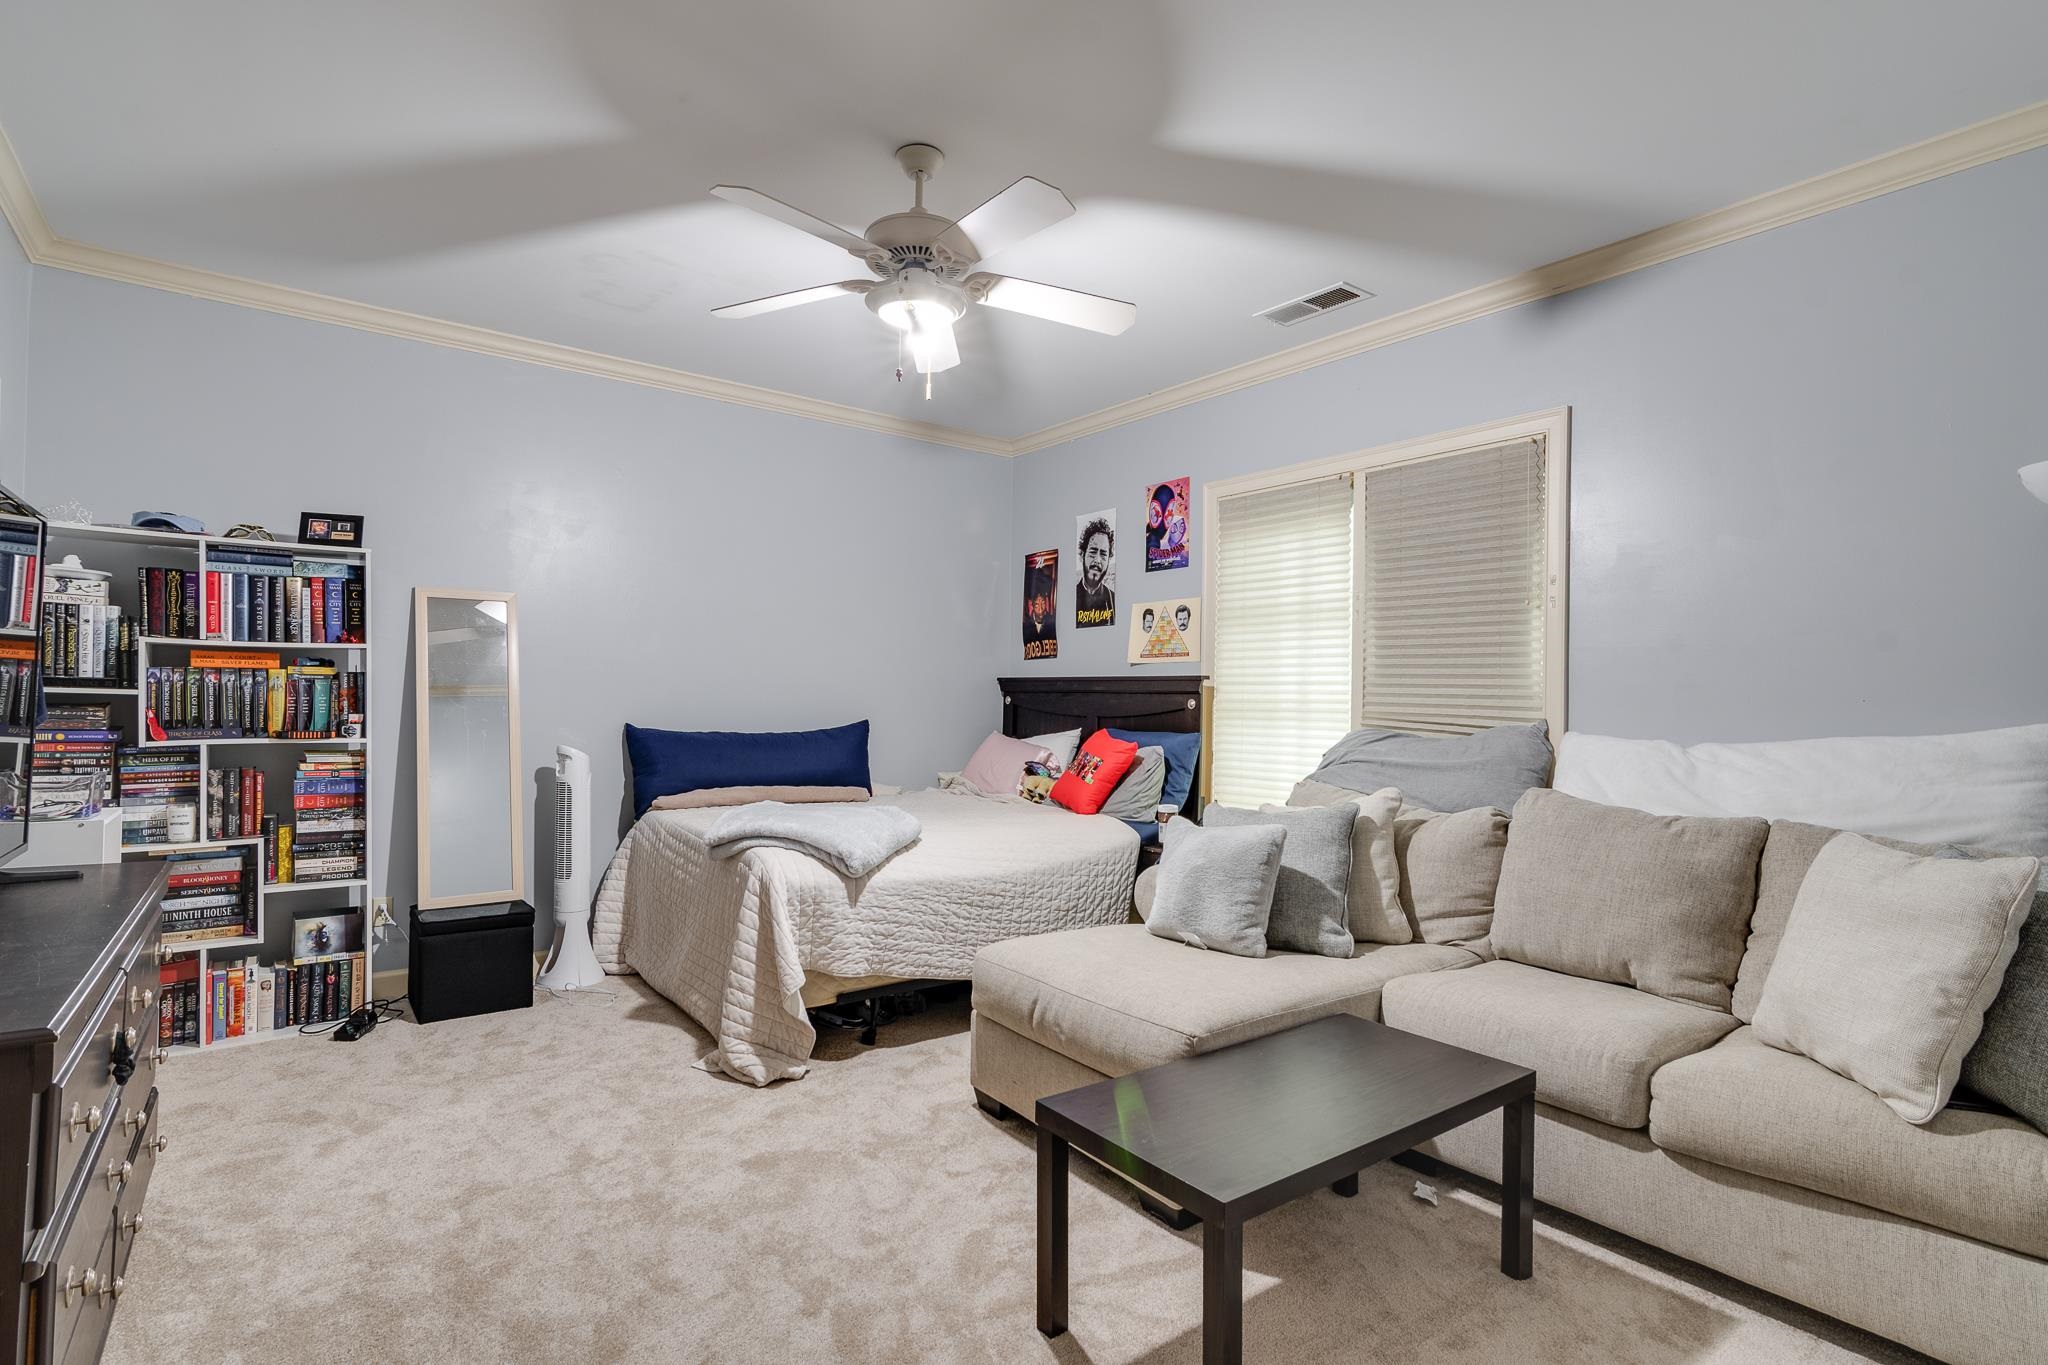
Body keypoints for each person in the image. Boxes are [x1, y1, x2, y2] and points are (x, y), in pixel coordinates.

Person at [1075, 517, 1115, 626]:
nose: (1097, 560)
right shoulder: (1071, 599)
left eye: (1103, 554)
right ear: (1082, 555)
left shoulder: (1114, 601)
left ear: (1108, 560)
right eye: (1093, 552)